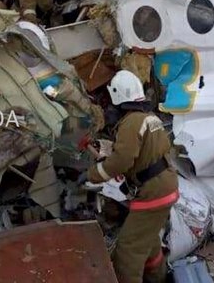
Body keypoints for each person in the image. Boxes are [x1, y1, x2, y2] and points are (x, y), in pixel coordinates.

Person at [84, 70, 178, 283]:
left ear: (117, 98)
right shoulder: (150, 118)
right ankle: (158, 278)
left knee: (127, 250)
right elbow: (142, 156)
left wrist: (91, 174)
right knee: (148, 242)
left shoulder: (131, 122)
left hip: (153, 191)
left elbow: (122, 160)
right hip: (165, 185)